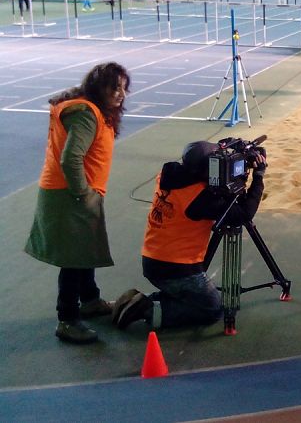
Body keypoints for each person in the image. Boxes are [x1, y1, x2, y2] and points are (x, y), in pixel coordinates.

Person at [25, 62, 130, 344]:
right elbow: (71, 158)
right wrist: (82, 192)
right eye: (114, 88)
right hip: (70, 194)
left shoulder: (91, 109)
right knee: (73, 258)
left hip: (76, 192)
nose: (121, 94)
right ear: (99, 87)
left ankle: (90, 300)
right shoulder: (86, 114)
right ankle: (67, 319)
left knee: (84, 249)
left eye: (124, 88)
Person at [111, 141, 267, 330]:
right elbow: (243, 214)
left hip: (153, 259)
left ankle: (136, 301)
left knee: (190, 295)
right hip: (177, 269)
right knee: (212, 309)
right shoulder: (200, 199)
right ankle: (148, 309)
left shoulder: (168, 175)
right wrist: (258, 177)